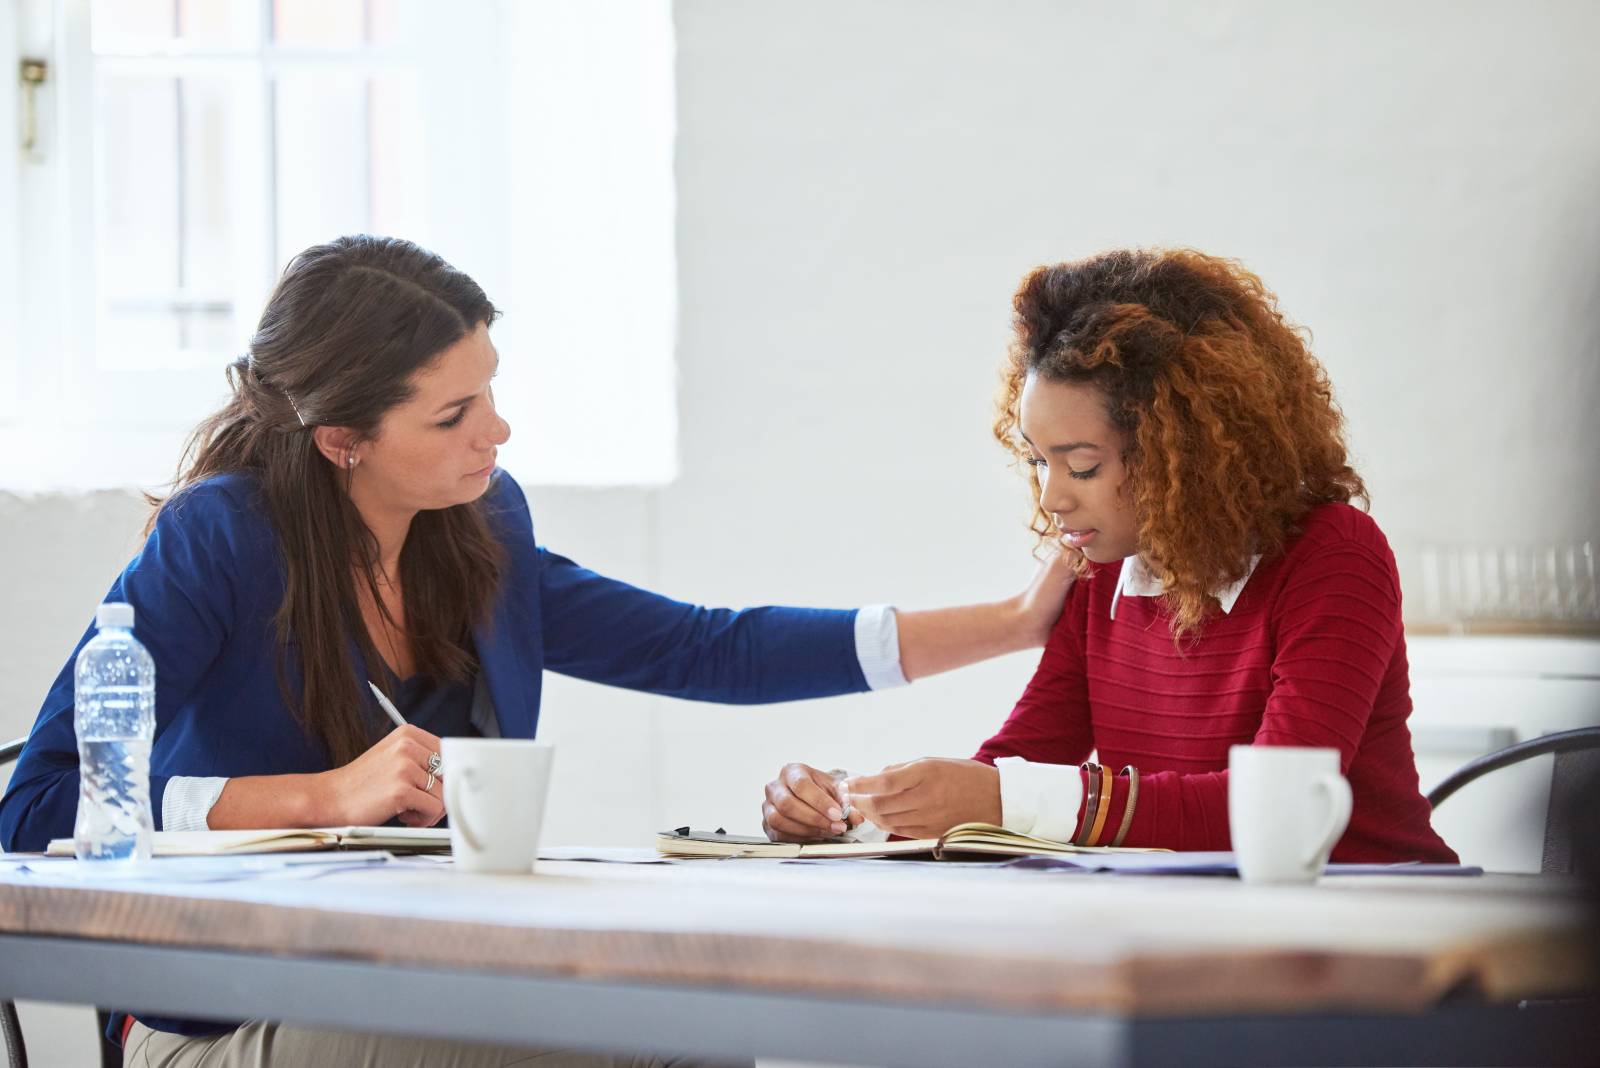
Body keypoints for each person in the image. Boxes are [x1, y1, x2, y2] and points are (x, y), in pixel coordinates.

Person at [0, 235, 1075, 1067]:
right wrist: (319, 795)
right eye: (454, 413)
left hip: (426, 983)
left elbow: (705, 650)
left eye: (492, 391)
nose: (496, 432)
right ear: (343, 440)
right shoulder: (221, 537)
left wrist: (1013, 623)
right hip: (223, 1026)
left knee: (692, 1020)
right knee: (631, 1037)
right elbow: (38, 804)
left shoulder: (479, 528)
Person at [761, 248, 1457, 866]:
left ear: (1183, 452)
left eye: (1083, 466)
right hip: (1205, 934)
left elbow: (1275, 806)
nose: (1053, 498)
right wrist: (853, 813)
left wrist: (1003, 798)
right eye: (1038, 462)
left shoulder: (1333, 555)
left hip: (1382, 926)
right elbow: (1014, 772)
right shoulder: (1098, 577)